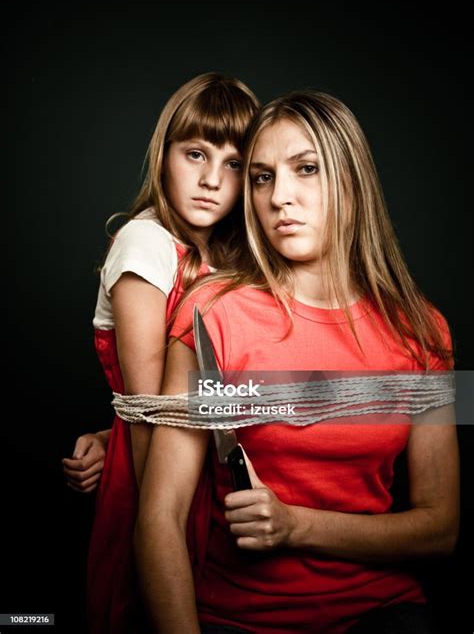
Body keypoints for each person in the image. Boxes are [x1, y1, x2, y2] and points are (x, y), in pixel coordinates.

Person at [134, 91, 459, 633]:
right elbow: (159, 517)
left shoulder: (424, 332)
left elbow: (441, 529)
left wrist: (294, 526)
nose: (280, 196)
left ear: (351, 180)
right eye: (262, 177)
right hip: (239, 619)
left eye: (306, 169)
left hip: (381, 612)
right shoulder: (212, 317)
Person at [62, 72, 260, 633]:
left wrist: (107, 435)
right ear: (164, 152)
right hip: (160, 476)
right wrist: (161, 528)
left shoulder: (218, 250)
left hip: (198, 462)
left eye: (234, 164)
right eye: (195, 153)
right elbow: (152, 409)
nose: (211, 180)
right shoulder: (147, 243)